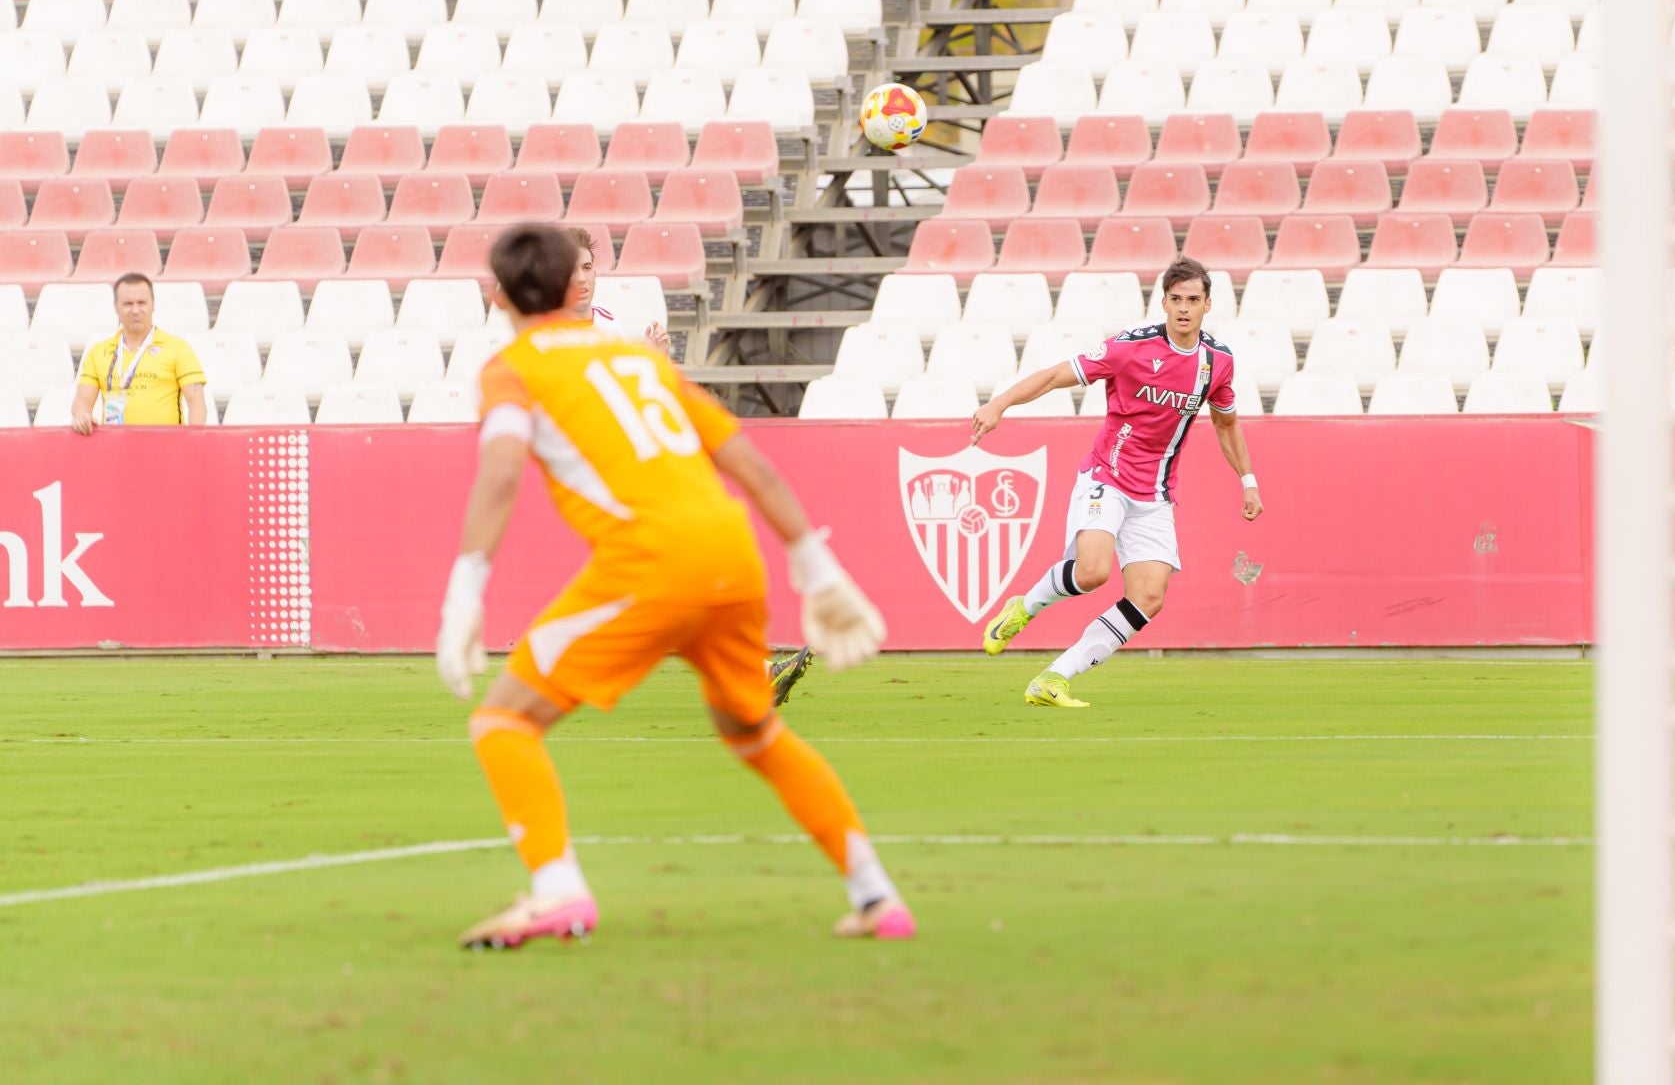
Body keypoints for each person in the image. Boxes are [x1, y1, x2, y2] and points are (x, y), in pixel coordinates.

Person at [436, 225, 909, 949]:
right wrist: (818, 571)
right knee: (755, 732)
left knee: (503, 721)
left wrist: (465, 594)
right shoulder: (637, 360)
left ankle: (557, 893)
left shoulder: (511, 369)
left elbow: (500, 472)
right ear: (575, 287)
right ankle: (877, 895)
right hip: (732, 554)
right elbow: (750, 461)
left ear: (496, 294)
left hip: (651, 563)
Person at [970, 257, 1262, 708]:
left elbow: (1226, 424)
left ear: (1208, 305)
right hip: (1107, 476)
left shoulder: (1217, 362)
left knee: (1149, 597)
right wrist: (1000, 405)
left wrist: (1247, 479)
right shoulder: (1131, 348)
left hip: (1156, 494)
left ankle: (1054, 678)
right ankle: (1024, 607)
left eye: (1194, 300)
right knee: (1092, 572)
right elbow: (1053, 376)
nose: (1184, 309)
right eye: (1176, 300)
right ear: (1163, 301)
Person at [71, 272, 207, 434]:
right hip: (115, 448)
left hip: (165, 449)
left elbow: (196, 402)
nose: (135, 310)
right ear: (116, 307)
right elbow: (82, 400)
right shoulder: (98, 351)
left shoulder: (178, 348)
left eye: (142, 303)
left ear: (153, 305)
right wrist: (82, 415)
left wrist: (195, 442)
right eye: (128, 304)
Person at [566, 226, 669, 354]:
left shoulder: (609, 326)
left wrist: (656, 358)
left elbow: (629, 372)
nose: (581, 279)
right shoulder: (542, 332)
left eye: (586, 268)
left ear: (594, 274)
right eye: (572, 270)